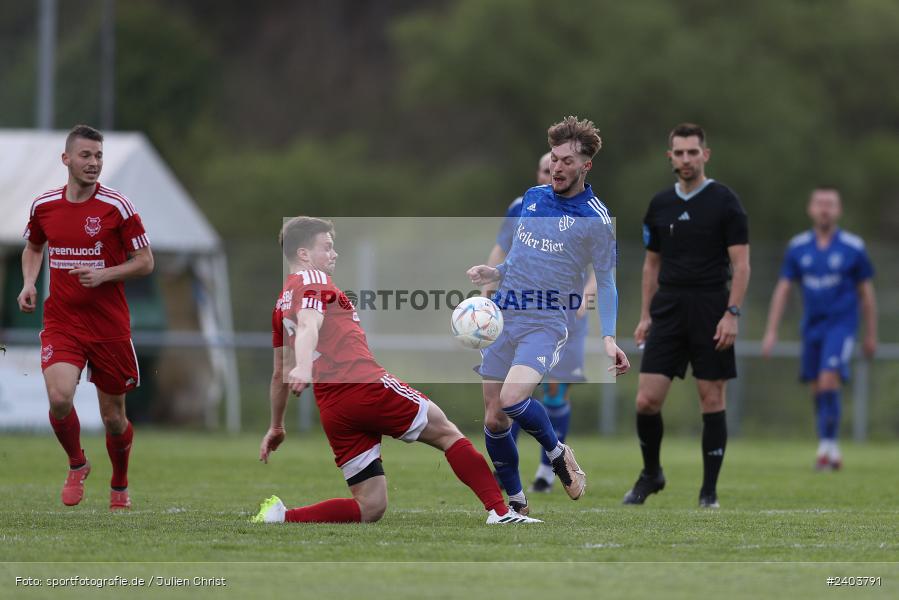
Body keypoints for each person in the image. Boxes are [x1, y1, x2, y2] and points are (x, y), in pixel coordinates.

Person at [253, 217, 539, 525]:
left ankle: (282, 517)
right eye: (327, 247)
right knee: (447, 433)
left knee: (370, 506)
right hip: (364, 385)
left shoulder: (281, 304)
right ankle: (500, 512)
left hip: (334, 408)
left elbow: (279, 371)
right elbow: (311, 323)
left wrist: (277, 426)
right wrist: (305, 365)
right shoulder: (314, 280)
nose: (334, 254)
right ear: (304, 254)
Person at [468, 116, 629, 516]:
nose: (557, 167)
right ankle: (516, 506)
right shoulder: (533, 197)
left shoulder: (596, 218)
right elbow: (523, 258)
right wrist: (496, 273)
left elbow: (606, 282)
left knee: (511, 399)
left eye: (567, 161)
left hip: (545, 321)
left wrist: (608, 337)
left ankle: (557, 452)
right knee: (493, 418)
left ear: (586, 165)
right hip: (505, 314)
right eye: (554, 159)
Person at [18, 124, 154, 510]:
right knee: (60, 398)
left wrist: (105, 274)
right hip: (63, 320)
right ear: (66, 159)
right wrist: (29, 282)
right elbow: (32, 247)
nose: (93, 163)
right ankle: (77, 463)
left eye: (98, 156)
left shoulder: (118, 207)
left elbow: (146, 262)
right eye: (86, 155)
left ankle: (120, 484)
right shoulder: (44, 205)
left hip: (109, 326)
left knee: (113, 418)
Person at [624, 123, 749, 509]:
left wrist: (732, 313)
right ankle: (652, 473)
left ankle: (708, 492)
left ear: (705, 155)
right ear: (670, 157)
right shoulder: (660, 205)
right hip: (669, 308)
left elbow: (741, 265)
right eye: (679, 153)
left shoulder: (726, 202)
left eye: (692, 152)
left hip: (712, 306)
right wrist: (645, 314)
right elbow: (651, 265)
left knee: (711, 397)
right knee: (646, 400)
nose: (686, 159)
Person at [484, 151, 597, 494]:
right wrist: (486, 292)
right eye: (547, 168)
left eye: (560, 166)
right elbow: (503, 250)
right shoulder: (524, 204)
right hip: (515, 311)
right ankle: (513, 479)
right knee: (505, 402)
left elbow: (600, 269)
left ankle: (548, 471)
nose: (553, 172)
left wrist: (588, 298)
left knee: (552, 390)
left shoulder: (584, 215)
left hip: (561, 315)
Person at [761, 186, 877, 470]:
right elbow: (783, 289)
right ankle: (829, 447)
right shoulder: (798, 247)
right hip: (812, 326)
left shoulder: (853, 247)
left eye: (830, 204)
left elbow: (867, 294)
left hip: (841, 324)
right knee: (816, 386)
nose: (825, 208)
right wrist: (771, 330)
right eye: (820, 203)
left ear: (838, 210)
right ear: (810, 209)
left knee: (828, 380)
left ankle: (827, 448)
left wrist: (870, 334)